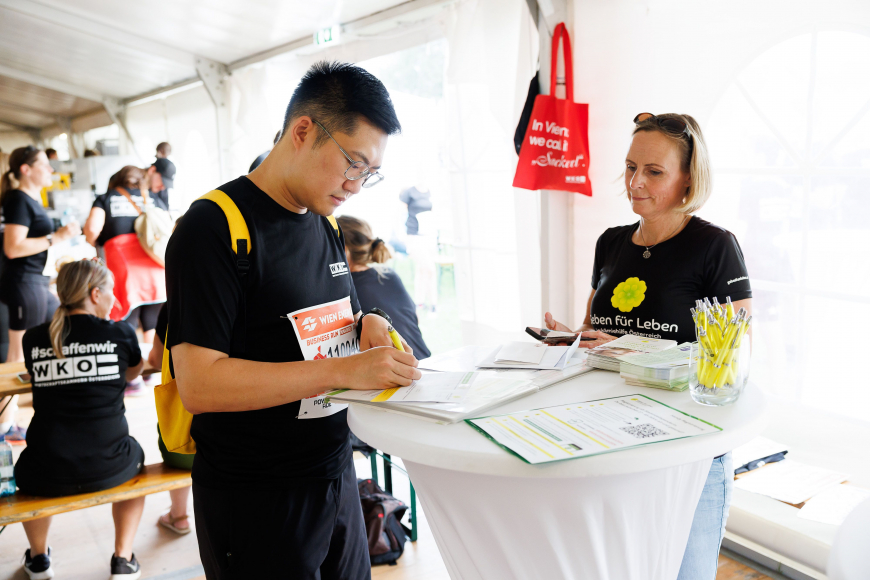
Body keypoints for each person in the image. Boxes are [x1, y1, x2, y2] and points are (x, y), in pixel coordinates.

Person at [166, 61, 421, 579]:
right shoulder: (213, 227)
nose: (357, 185)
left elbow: (330, 322)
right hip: (255, 496)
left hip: (332, 475)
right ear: (303, 130)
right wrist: (343, 373)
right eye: (353, 163)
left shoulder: (324, 223)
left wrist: (368, 323)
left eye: (370, 172)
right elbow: (200, 384)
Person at [545, 112, 752, 580]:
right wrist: (575, 338)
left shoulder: (716, 247)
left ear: (688, 179)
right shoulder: (611, 242)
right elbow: (596, 333)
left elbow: (731, 359)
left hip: (687, 449)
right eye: (630, 166)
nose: (635, 182)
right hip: (609, 436)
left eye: (654, 171)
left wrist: (631, 348)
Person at [16, 259, 146, 579]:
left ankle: (38, 560)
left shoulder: (33, 338)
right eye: (112, 292)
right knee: (139, 464)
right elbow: (132, 372)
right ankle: (123, 559)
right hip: (111, 462)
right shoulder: (120, 332)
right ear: (95, 293)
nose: (116, 300)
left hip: (47, 467)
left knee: (28, 471)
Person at [0, 146, 80, 442]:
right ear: (25, 169)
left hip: (37, 282)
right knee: (17, 357)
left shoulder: (31, 197)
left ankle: (46, 414)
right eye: (44, 165)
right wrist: (55, 237)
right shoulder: (18, 199)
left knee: (51, 345)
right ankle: (4, 426)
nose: (51, 170)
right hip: (23, 284)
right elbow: (13, 247)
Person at [83, 165, 167, 346]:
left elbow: (91, 229)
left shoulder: (105, 198)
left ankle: (130, 368)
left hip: (124, 268)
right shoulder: (152, 198)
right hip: (155, 267)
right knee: (152, 321)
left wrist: (92, 242)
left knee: (127, 320)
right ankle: (151, 369)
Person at [337, 215, 430, 358]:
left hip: (399, 373)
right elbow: (415, 318)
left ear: (343, 250)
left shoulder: (343, 289)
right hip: (425, 359)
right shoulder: (389, 275)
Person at [148, 302, 193, 535]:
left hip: (185, 440)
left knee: (177, 428)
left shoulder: (175, 304)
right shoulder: (248, 294)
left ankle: (179, 515)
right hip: (237, 426)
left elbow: (155, 360)